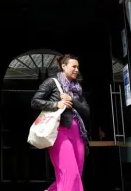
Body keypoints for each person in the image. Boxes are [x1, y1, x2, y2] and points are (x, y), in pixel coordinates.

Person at [31, 54, 90, 191]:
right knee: (70, 173)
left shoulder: (77, 89)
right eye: (73, 66)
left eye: (78, 67)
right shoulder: (52, 82)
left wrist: (72, 99)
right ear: (63, 66)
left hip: (78, 134)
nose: (76, 70)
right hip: (59, 132)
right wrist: (56, 104)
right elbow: (35, 101)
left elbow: (86, 112)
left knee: (76, 173)